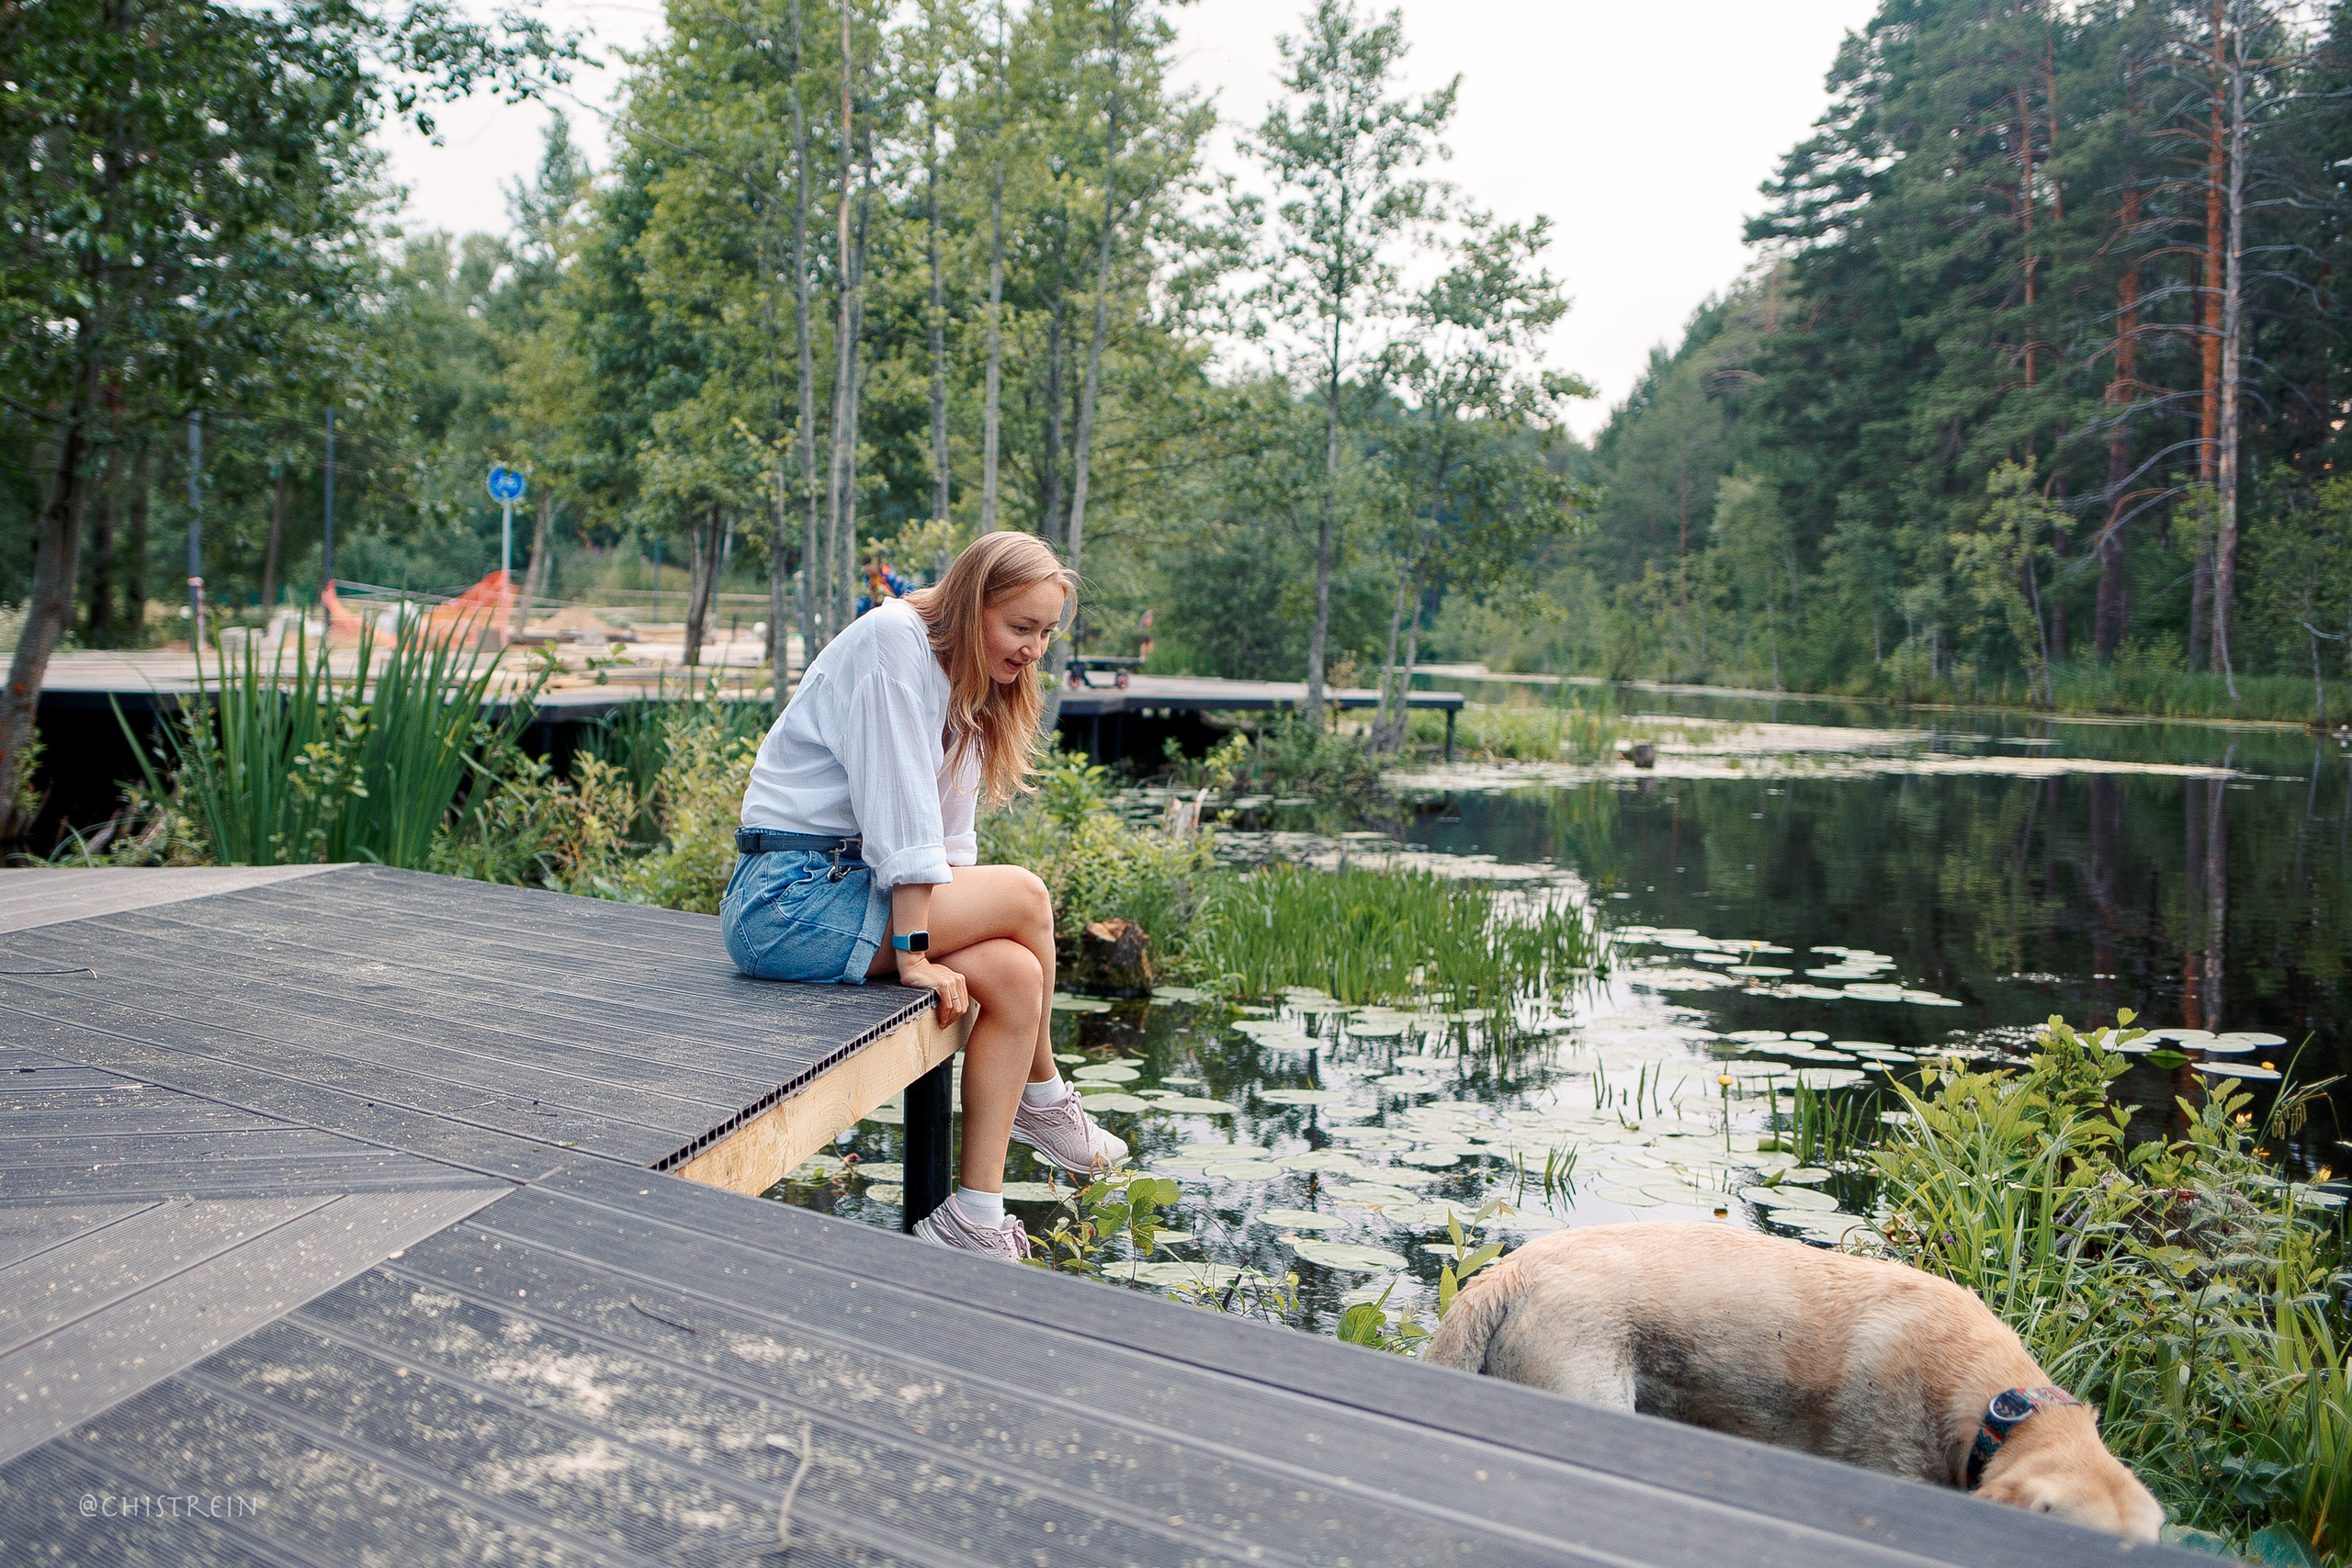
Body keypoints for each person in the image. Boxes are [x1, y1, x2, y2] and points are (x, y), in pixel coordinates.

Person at [721, 531, 1125, 1260]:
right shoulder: (891, 641)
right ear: (973, 604)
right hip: (788, 897)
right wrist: (915, 952)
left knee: (1015, 970)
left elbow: (950, 841)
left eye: (1046, 633)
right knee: (1029, 898)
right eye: (1021, 627)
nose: (1034, 648)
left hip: (847, 892)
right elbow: (901, 819)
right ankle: (1045, 1098)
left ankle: (974, 1215)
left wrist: (953, 930)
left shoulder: (971, 682)